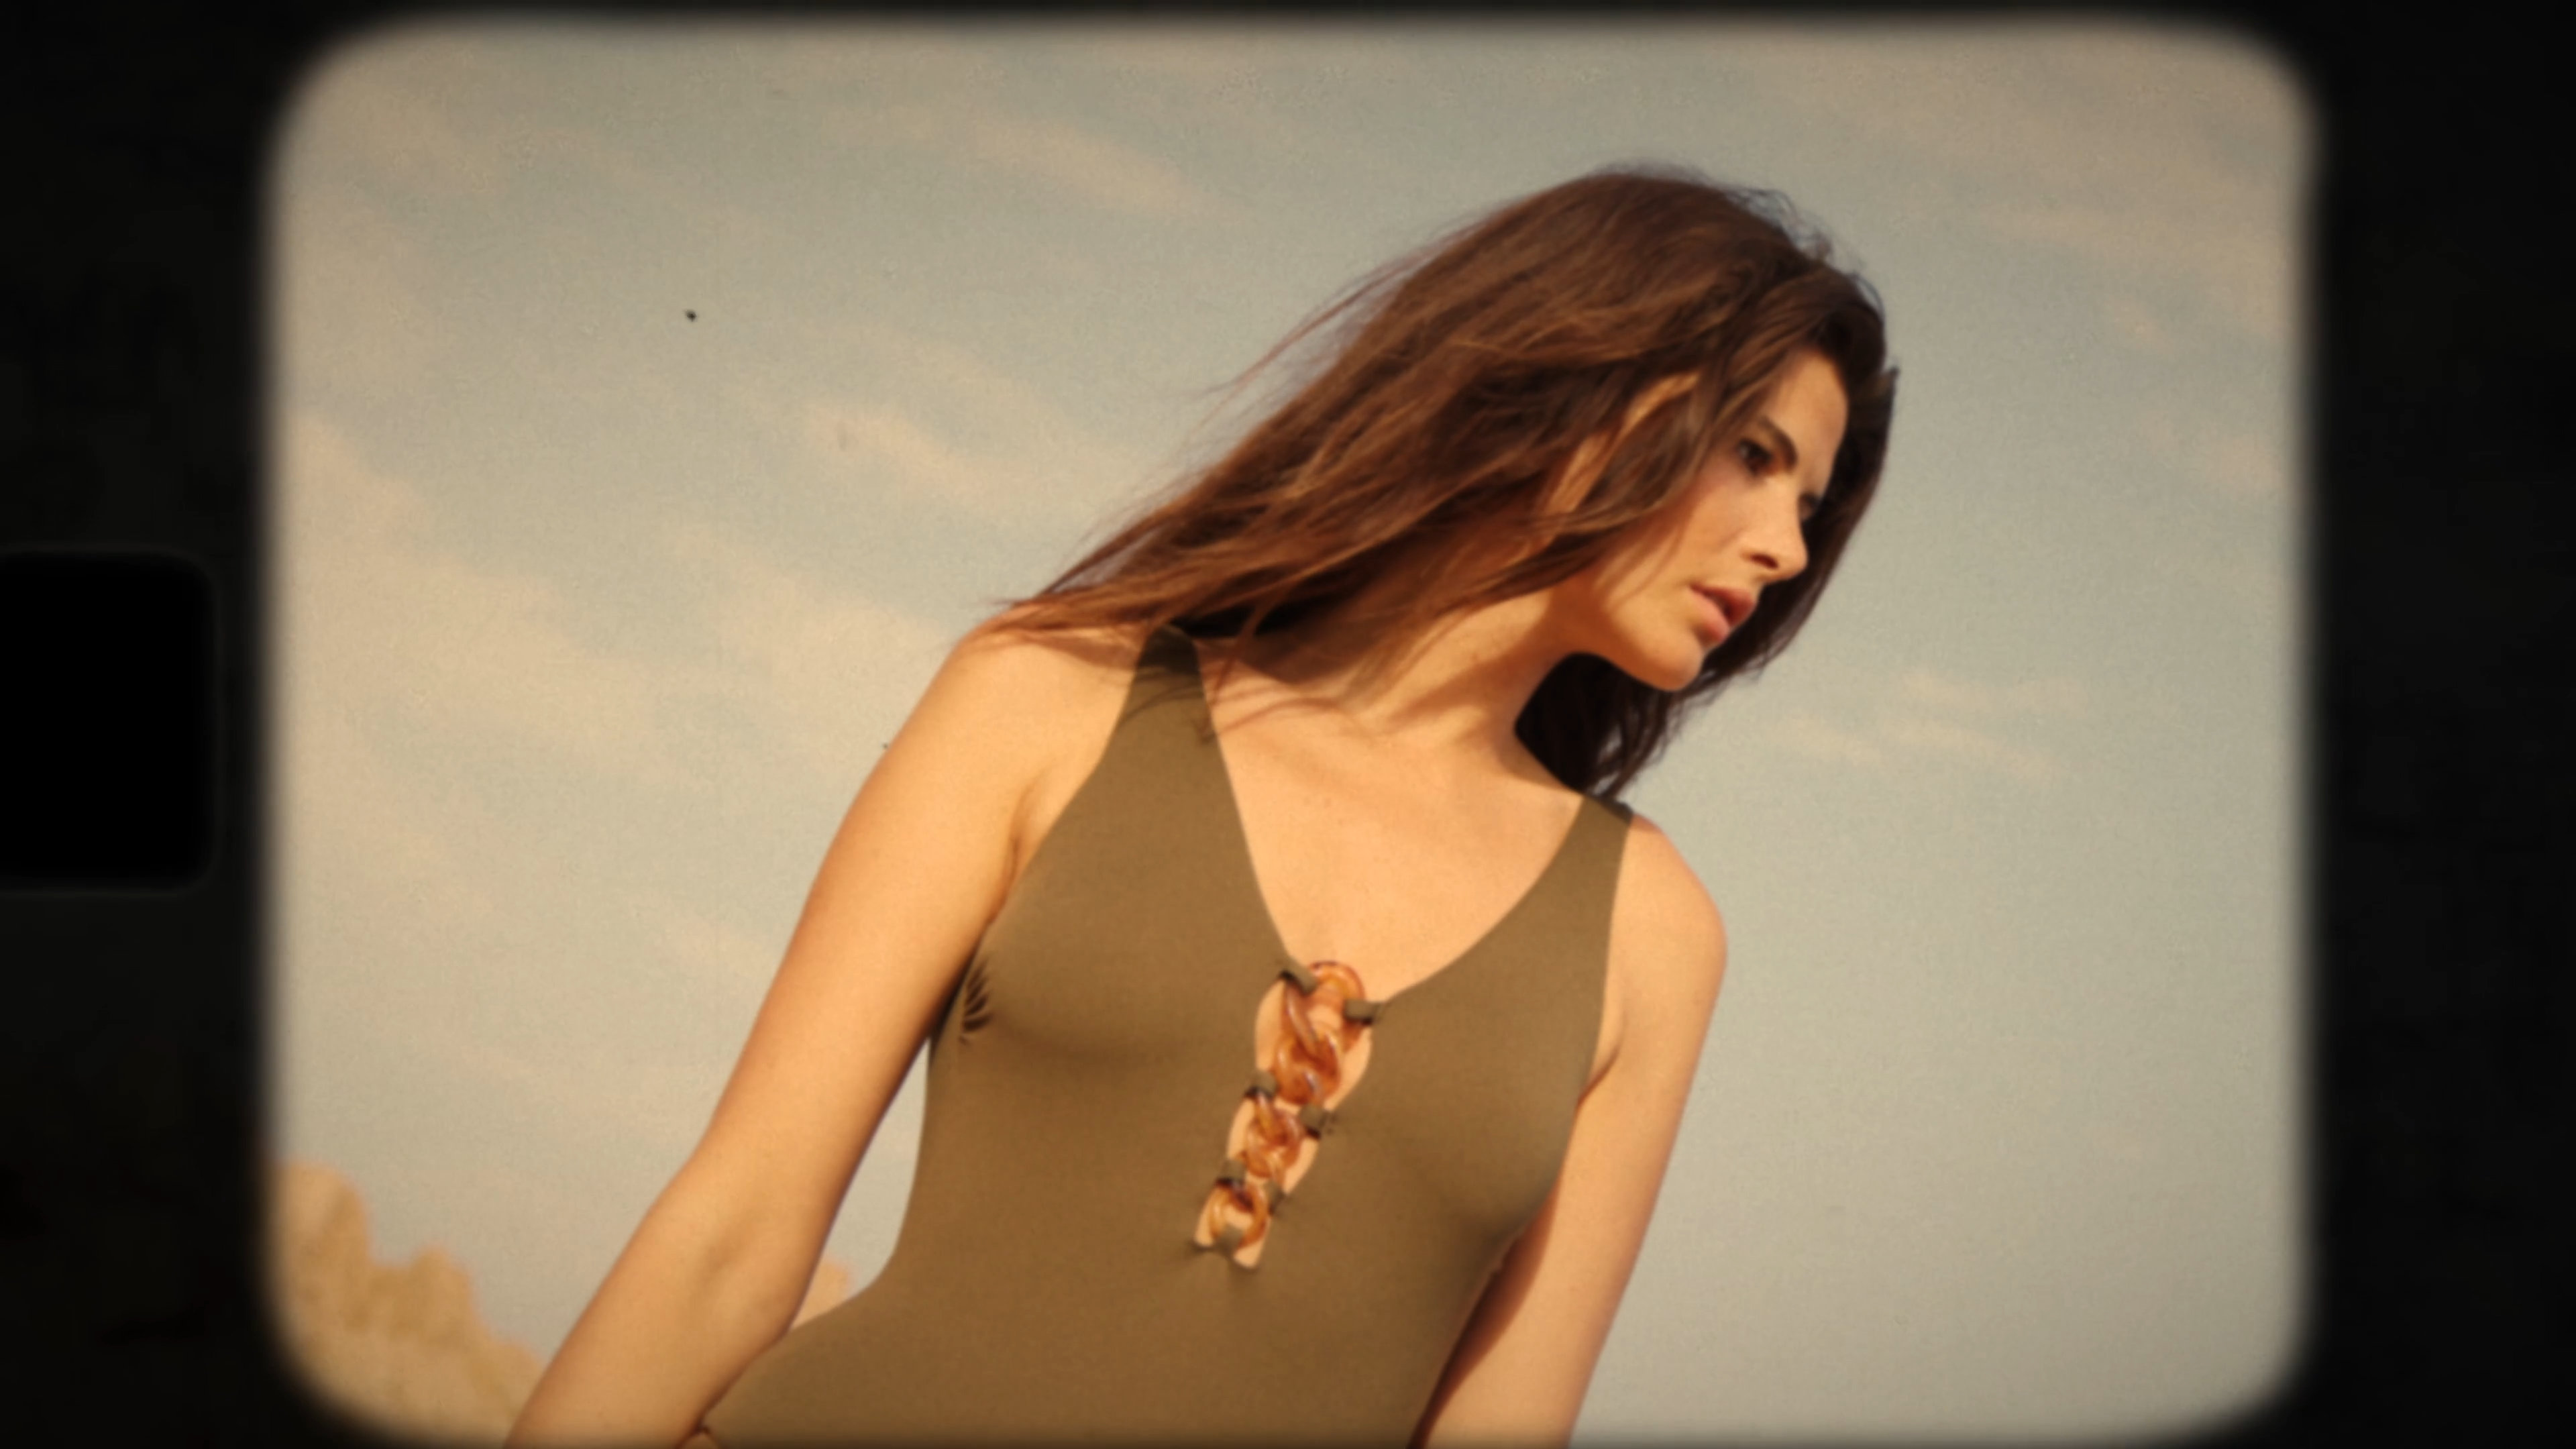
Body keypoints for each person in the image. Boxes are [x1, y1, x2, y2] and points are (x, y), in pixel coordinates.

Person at [508, 164, 1894, 1447]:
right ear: (1591, 378)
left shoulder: (1650, 933)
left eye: (1811, 505)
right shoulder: (1048, 697)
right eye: (1756, 454)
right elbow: (733, 1240)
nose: (1785, 548)